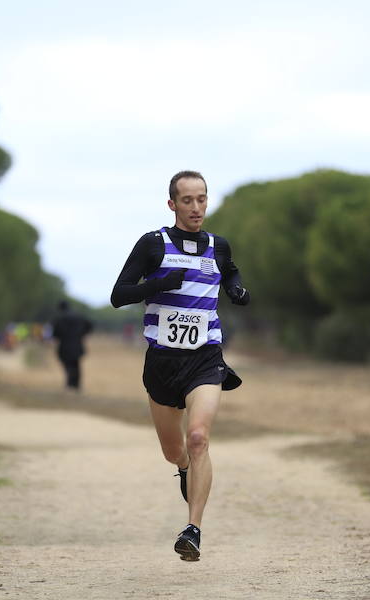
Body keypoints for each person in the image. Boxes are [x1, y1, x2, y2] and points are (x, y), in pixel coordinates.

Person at [110, 170, 251, 561]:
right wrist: (156, 284)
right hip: (162, 363)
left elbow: (231, 268)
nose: (195, 207)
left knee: (199, 437)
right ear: (172, 204)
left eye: (202, 199)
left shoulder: (217, 246)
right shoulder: (153, 245)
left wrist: (235, 287)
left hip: (205, 358)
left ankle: (193, 530)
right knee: (175, 451)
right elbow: (119, 295)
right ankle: (185, 467)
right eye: (187, 200)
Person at [50, 301, 93, 391]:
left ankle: (70, 383)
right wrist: (82, 334)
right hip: (77, 344)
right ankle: (76, 384)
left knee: (68, 365)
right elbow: (89, 326)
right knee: (76, 364)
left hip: (64, 346)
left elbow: (55, 333)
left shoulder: (59, 318)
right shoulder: (79, 316)